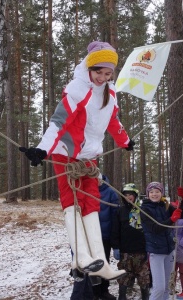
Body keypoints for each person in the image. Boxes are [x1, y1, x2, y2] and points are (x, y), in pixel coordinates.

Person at [20, 41, 134, 281]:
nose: (102, 77)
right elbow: (58, 122)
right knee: (73, 200)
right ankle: (81, 255)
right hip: (67, 153)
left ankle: (100, 261)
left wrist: (125, 141)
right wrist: (42, 150)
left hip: (89, 156)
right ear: (89, 68)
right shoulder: (77, 90)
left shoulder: (110, 93)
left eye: (107, 73)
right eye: (98, 72)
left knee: (92, 202)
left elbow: (113, 121)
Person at [141, 182, 183, 300]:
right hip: (156, 252)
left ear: (161, 193)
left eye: (157, 192)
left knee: (167, 286)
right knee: (159, 287)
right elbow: (154, 228)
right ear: (147, 194)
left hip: (169, 250)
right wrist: (171, 219)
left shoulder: (165, 205)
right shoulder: (144, 209)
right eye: (151, 192)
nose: (154, 194)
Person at [111, 183, 150, 300]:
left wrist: (149, 247)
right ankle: (122, 296)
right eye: (126, 194)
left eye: (131, 194)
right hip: (125, 251)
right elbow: (115, 230)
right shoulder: (120, 211)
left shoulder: (142, 210)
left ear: (135, 195)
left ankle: (145, 297)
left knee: (144, 278)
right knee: (124, 277)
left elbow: (148, 230)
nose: (128, 197)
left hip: (141, 251)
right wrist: (116, 247)